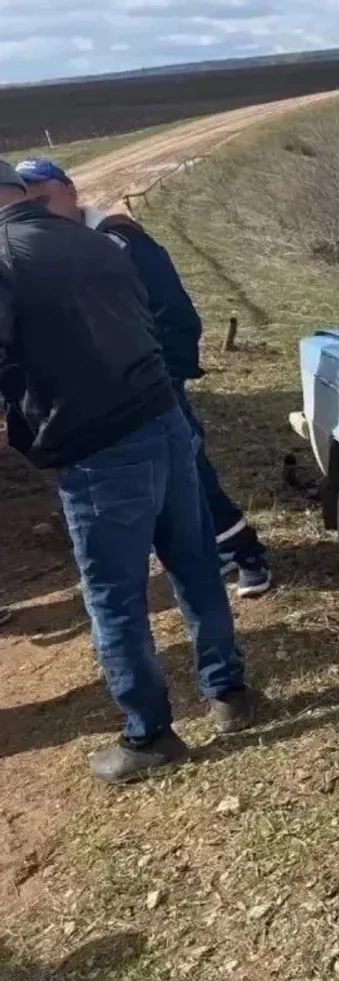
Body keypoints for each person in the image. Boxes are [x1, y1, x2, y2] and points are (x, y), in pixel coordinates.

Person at [0, 160, 255, 783]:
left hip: (97, 449)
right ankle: (229, 695)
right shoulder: (93, 239)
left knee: (114, 597)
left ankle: (149, 734)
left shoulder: (4, 258)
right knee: (194, 564)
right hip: (162, 420)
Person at [17, 158, 273, 597]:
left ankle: (247, 555)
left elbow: (174, 313)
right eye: (31, 202)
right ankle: (213, 553)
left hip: (150, 383)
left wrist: (167, 376)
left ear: (71, 190)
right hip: (111, 392)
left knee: (188, 467)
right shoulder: (56, 249)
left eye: (46, 197)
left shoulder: (121, 241)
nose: (40, 208)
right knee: (164, 479)